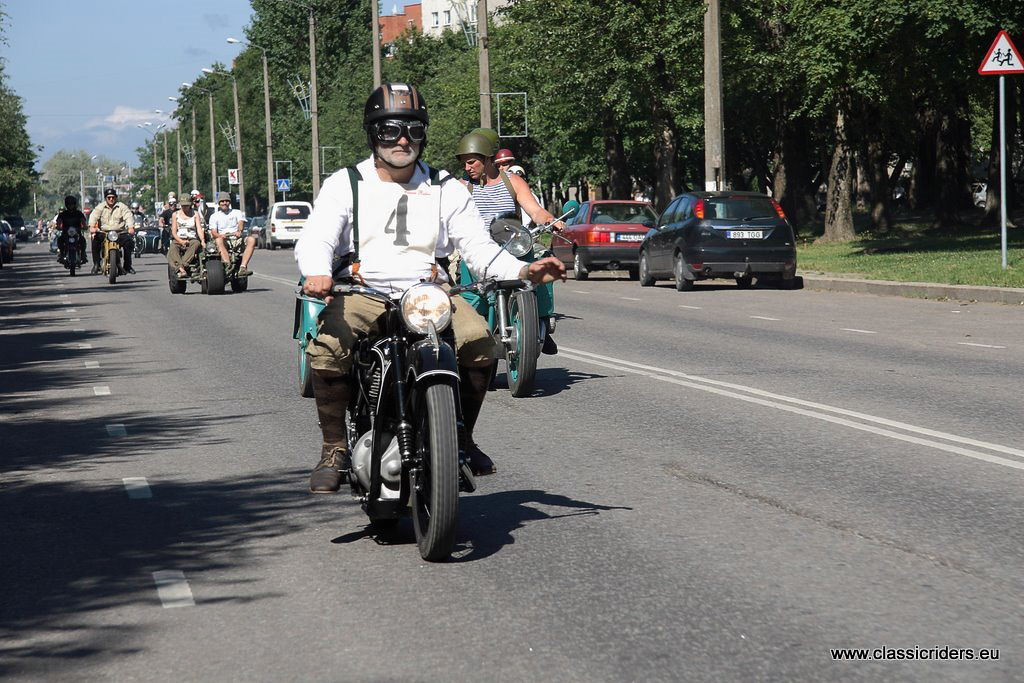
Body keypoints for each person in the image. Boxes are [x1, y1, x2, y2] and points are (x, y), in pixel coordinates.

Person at [295, 82, 566, 494]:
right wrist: (318, 271)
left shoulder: (446, 187)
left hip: (427, 295)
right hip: (363, 292)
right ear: (373, 133)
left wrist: (525, 270)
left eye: (413, 130)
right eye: (390, 130)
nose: (403, 140)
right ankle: (334, 448)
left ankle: (462, 438)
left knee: (479, 342)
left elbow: (478, 248)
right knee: (329, 348)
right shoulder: (345, 183)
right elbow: (316, 237)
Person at [456, 130, 564, 354]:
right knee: (470, 295)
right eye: (464, 163)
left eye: (472, 162)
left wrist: (550, 220)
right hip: (479, 249)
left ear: (487, 159)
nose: (467, 167)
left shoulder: (512, 181)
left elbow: (535, 210)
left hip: (514, 245)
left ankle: (541, 321)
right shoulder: (461, 186)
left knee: (542, 265)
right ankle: (468, 337)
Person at [88, 188, 136, 274]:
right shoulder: (100, 207)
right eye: (109, 197)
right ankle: (96, 264)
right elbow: (94, 216)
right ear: (106, 198)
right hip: (104, 233)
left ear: (116, 197)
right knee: (95, 241)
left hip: (119, 233)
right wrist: (92, 226)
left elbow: (128, 216)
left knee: (129, 242)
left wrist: (130, 227)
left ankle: (127, 266)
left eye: (113, 197)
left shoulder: (122, 206)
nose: (111, 199)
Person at [208, 191, 255, 276]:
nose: (224, 203)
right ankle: (228, 265)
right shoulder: (214, 216)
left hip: (236, 238)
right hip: (223, 240)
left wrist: (239, 231)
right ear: (219, 203)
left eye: (226, 201)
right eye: (222, 201)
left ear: (229, 202)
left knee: (251, 240)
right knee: (218, 240)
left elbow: (241, 223)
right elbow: (213, 231)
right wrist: (220, 235)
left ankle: (243, 267)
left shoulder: (236, 212)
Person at [167, 196, 205, 277]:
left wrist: (202, 240)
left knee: (196, 243)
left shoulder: (195, 214)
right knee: (172, 249)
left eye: (186, 205)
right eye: (183, 205)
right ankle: (181, 269)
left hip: (191, 239)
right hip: (179, 239)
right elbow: (174, 232)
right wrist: (181, 241)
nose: (184, 207)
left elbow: (199, 229)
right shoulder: (175, 214)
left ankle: (182, 266)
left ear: (190, 204)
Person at [55, 195, 88, 265]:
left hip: (77, 233)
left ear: (74, 204)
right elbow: (58, 222)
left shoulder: (79, 213)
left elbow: (83, 221)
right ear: (66, 205)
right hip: (65, 233)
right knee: (60, 240)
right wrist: (58, 227)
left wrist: (85, 226)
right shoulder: (62, 214)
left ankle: (83, 255)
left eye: (72, 204)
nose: (70, 206)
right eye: (69, 204)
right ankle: (62, 254)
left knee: (83, 240)